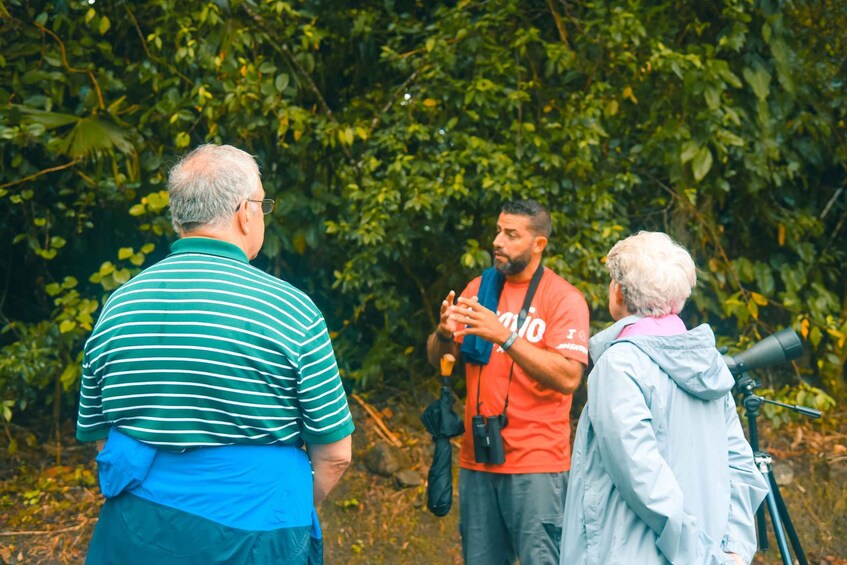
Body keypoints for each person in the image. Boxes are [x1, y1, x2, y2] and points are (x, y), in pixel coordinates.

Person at [76, 144, 354, 564]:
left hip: (137, 534)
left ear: (179, 218)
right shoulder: (291, 310)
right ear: (246, 212)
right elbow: (335, 455)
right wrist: (287, 503)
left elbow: (100, 437)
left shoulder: (119, 306)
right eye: (263, 204)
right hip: (257, 536)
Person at [560, 231, 769, 564]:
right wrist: (732, 550)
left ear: (618, 291)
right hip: (710, 550)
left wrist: (699, 555)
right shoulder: (707, 362)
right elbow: (741, 466)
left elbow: (641, 478)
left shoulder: (620, 364)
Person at [427, 199, 590, 564]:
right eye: (498, 231)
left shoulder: (563, 298)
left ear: (538, 245)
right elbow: (438, 359)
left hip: (537, 464)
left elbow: (569, 377)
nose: (498, 241)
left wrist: (508, 337)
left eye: (511, 234)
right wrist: (441, 334)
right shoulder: (478, 288)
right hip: (477, 459)